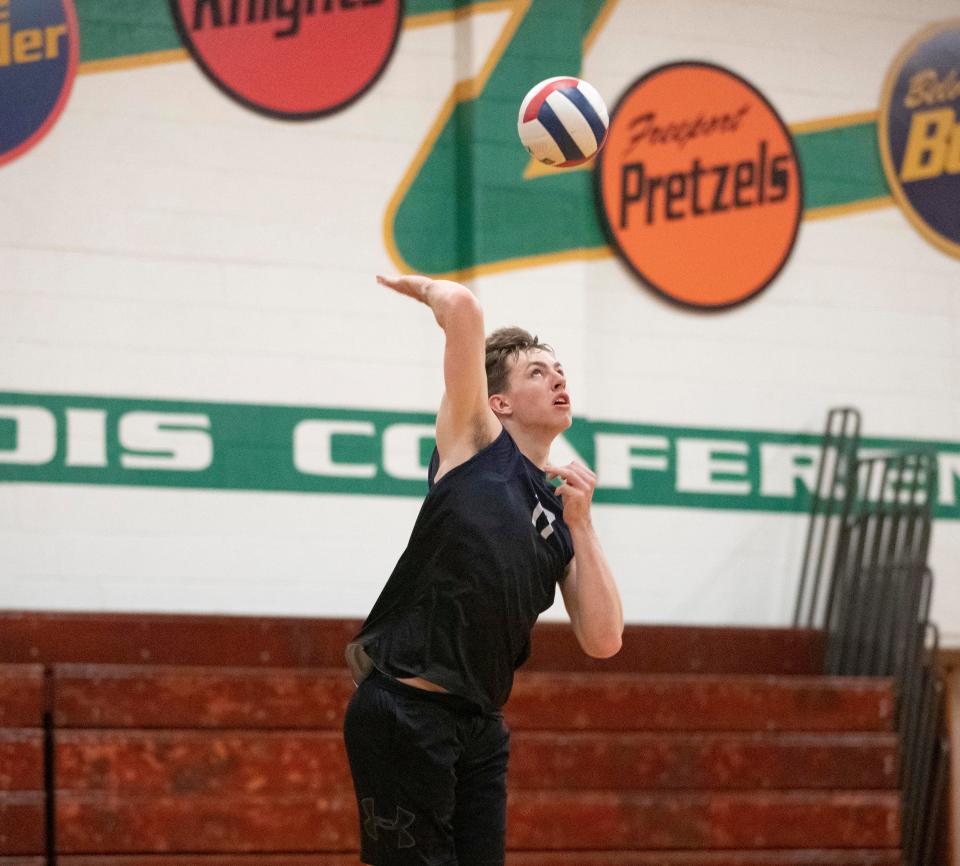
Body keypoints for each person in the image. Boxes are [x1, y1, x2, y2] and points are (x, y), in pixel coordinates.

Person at [343, 274, 623, 866]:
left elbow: (603, 640)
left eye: (560, 369)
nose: (558, 378)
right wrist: (422, 290)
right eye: (537, 372)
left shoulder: (559, 509)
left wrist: (584, 523)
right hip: (405, 709)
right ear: (499, 402)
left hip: (478, 727)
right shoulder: (475, 445)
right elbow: (464, 307)